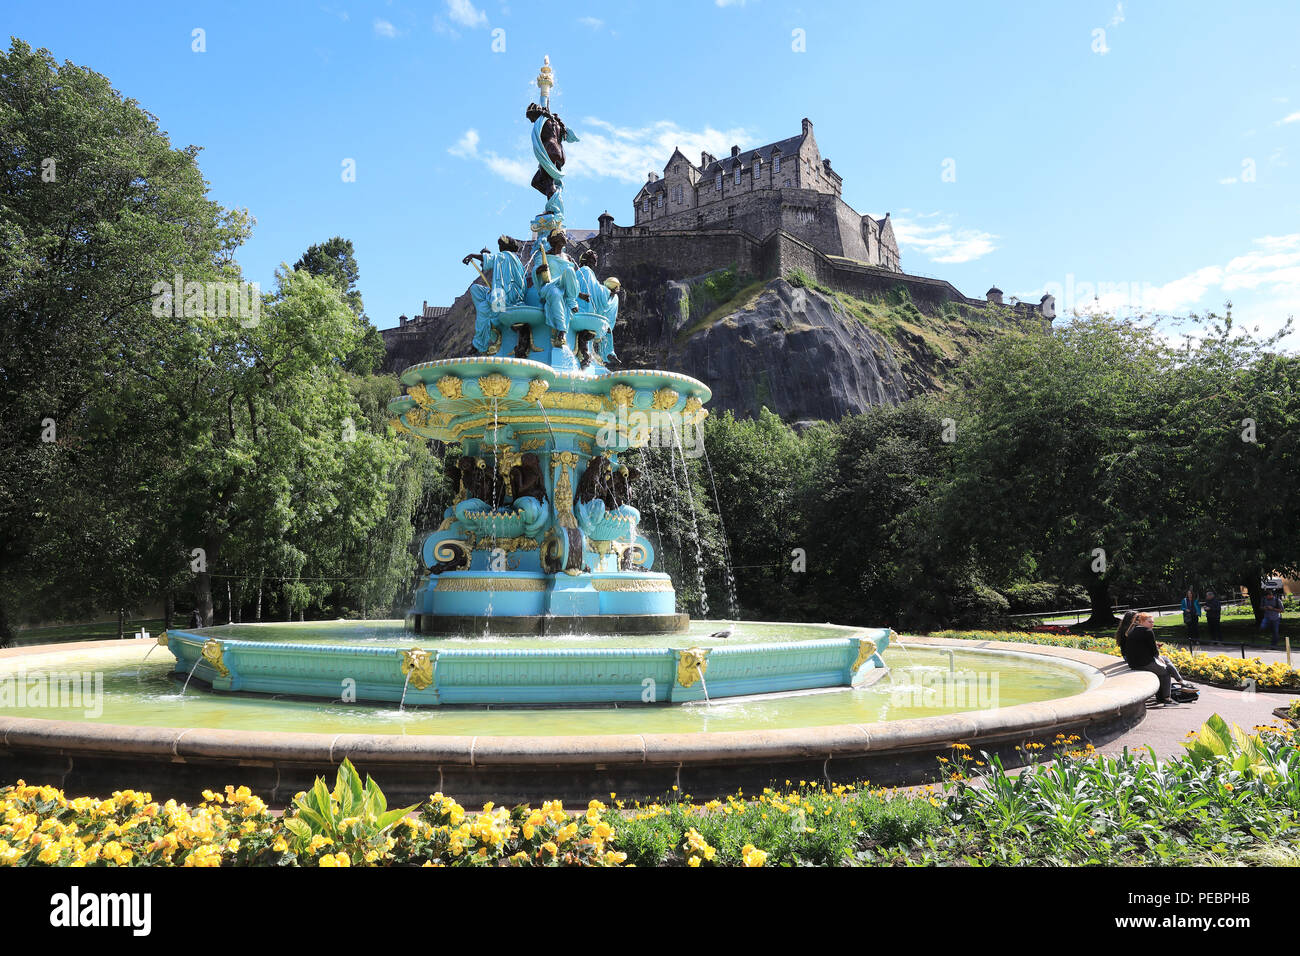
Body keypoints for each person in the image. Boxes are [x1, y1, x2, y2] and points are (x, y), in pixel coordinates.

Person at [1121, 612, 1189, 705]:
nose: (1152, 624)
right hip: (1144, 663)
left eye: (1152, 622)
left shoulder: (1132, 630)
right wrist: (1158, 657)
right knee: (1165, 672)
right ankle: (1167, 698)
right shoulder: (1148, 631)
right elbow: (1154, 650)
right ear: (1141, 622)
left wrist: (1159, 658)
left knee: (1165, 659)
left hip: (1133, 663)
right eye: (1149, 622)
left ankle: (1179, 681)